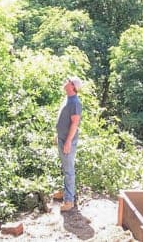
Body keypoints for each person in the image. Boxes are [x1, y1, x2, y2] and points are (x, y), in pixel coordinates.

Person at [54, 76, 83, 212]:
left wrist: (68, 142)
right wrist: (59, 135)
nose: (65, 82)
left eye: (67, 81)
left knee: (69, 170)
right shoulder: (68, 99)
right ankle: (67, 193)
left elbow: (75, 123)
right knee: (65, 167)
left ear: (72, 86)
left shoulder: (75, 103)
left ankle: (69, 201)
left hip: (68, 141)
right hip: (63, 138)